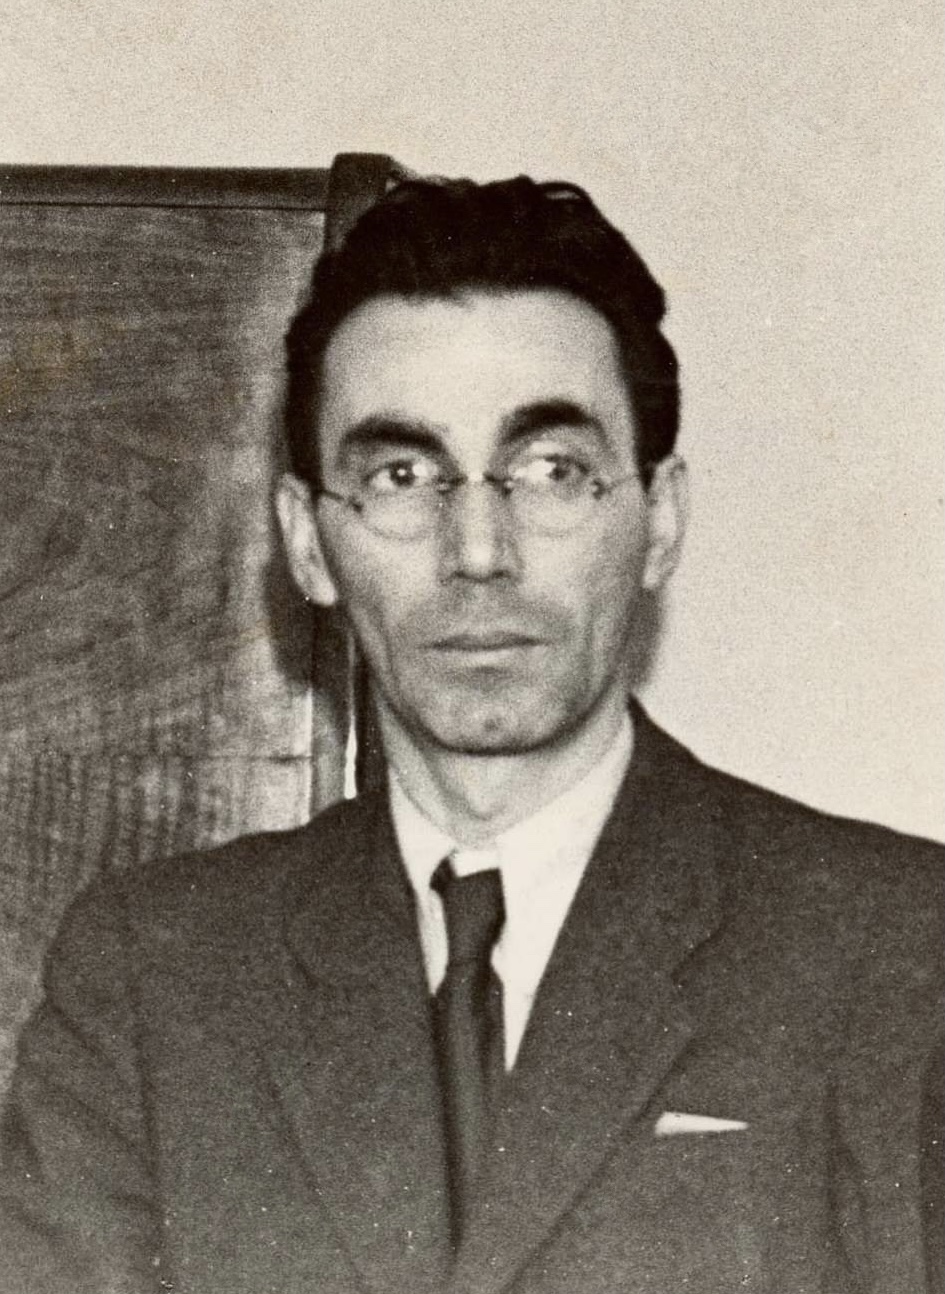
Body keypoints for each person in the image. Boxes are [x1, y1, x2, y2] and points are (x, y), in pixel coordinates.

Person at [0, 175, 941, 1294]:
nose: (480, 550)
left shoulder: (899, 952)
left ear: (659, 519)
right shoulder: (156, 978)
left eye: (553, 471)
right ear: (307, 542)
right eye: (401, 476)